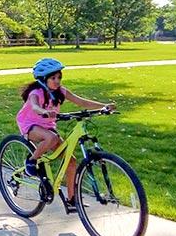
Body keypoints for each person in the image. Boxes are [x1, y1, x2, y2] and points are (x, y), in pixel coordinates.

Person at [16, 58, 115, 209]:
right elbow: (35, 107)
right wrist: (44, 111)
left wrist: (104, 106)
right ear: (43, 79)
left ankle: (72, 200)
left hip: (48, 125)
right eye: (53, 78)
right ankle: (32, 160)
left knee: (71, 161)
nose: (57, 81)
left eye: (59, 77)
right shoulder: (35, 92)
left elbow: (82, 102)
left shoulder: (61, 91)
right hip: (30, 124)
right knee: (51, 138)